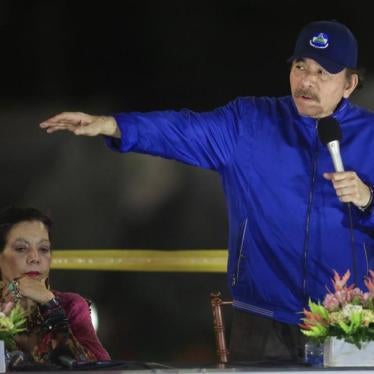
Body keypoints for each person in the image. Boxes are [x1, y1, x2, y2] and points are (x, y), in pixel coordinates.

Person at [40, 20, 374, 363]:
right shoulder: (250, 122)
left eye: (322, 72)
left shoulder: (371, 136)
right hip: (262, 319)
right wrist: (113, 125)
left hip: (347, 322)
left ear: (349, 84)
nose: (307, 81)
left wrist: (368, 199)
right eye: (300, 66)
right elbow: (182, 130)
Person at [0, 206, 110, 365]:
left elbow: (101, 368)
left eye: (43, 249)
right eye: (21, 248)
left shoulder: (69, 305)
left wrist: (51, 306)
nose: (35, 258)